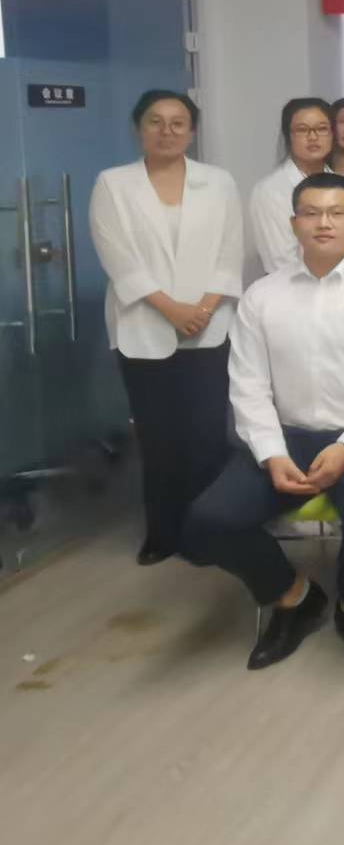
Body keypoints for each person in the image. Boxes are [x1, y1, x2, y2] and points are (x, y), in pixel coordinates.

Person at [180, 173, 344, 670]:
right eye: (311, 213)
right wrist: (271, 453)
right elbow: (247, 385)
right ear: (294, 224)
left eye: (336, 213)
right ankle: (294, 596)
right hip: (286, 437)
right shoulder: (262, 296)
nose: (323, 223)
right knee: (206, 523)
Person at [90, 89, 244, 565]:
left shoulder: (218, 182)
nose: (167, 131)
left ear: (192, 132)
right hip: (143, 323)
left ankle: (209, 531)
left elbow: (230, 251)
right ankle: (163, 531)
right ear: (139, 128)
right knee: (158, 437)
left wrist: (203, 307)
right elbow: (118, 258)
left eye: (178, 123)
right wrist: (172, 309)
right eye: (155, 122)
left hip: (209, 325)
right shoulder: (114, 184)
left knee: (206, 435)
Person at [249, 97, 333, 276]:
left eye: (322, 129)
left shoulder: (343, 185)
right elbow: (280, 263)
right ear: (288, 136)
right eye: (302, 130)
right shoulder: (270, 191)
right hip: (294, 287)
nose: (313, 137)